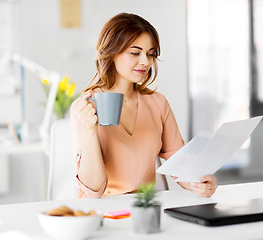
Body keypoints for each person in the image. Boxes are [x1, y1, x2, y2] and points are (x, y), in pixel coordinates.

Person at [70, 12, 217, 198]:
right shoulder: (85, 107)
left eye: (150, 54)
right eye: (135, 53)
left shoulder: (157, 103)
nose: (145, 62)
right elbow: (93, 190)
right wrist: (89, 130)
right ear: (111, 52)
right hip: (104, 212)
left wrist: (199, 181)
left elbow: (180, 162)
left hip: (146, 207)